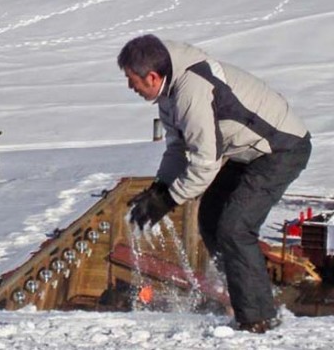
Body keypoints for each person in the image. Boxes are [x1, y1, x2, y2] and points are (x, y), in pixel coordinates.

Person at [118, 34, 311, 333]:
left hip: (281, 148)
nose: (130, 87)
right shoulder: (170, 92)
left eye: (132, 80)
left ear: (153, 76)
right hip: (248, 151)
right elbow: (178, 147)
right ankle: (245, 299)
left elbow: (205, 163)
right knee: (210, 217)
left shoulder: (191, 91)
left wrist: (168, 200)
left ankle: (258, 318)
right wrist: (159, 188)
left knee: (235, 226)